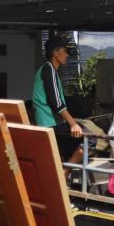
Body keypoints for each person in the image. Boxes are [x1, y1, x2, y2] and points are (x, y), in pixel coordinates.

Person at [31, 35, 85, 165]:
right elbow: (57, 102)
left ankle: (63, 171)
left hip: (47, 122)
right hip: (51, 123)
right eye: (64, 51)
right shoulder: (49, 69)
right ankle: (65, 172)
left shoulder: (46, 70)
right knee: (90, 142)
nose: (67, 55)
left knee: (59, 153)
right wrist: (73, 124)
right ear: (55, 52)